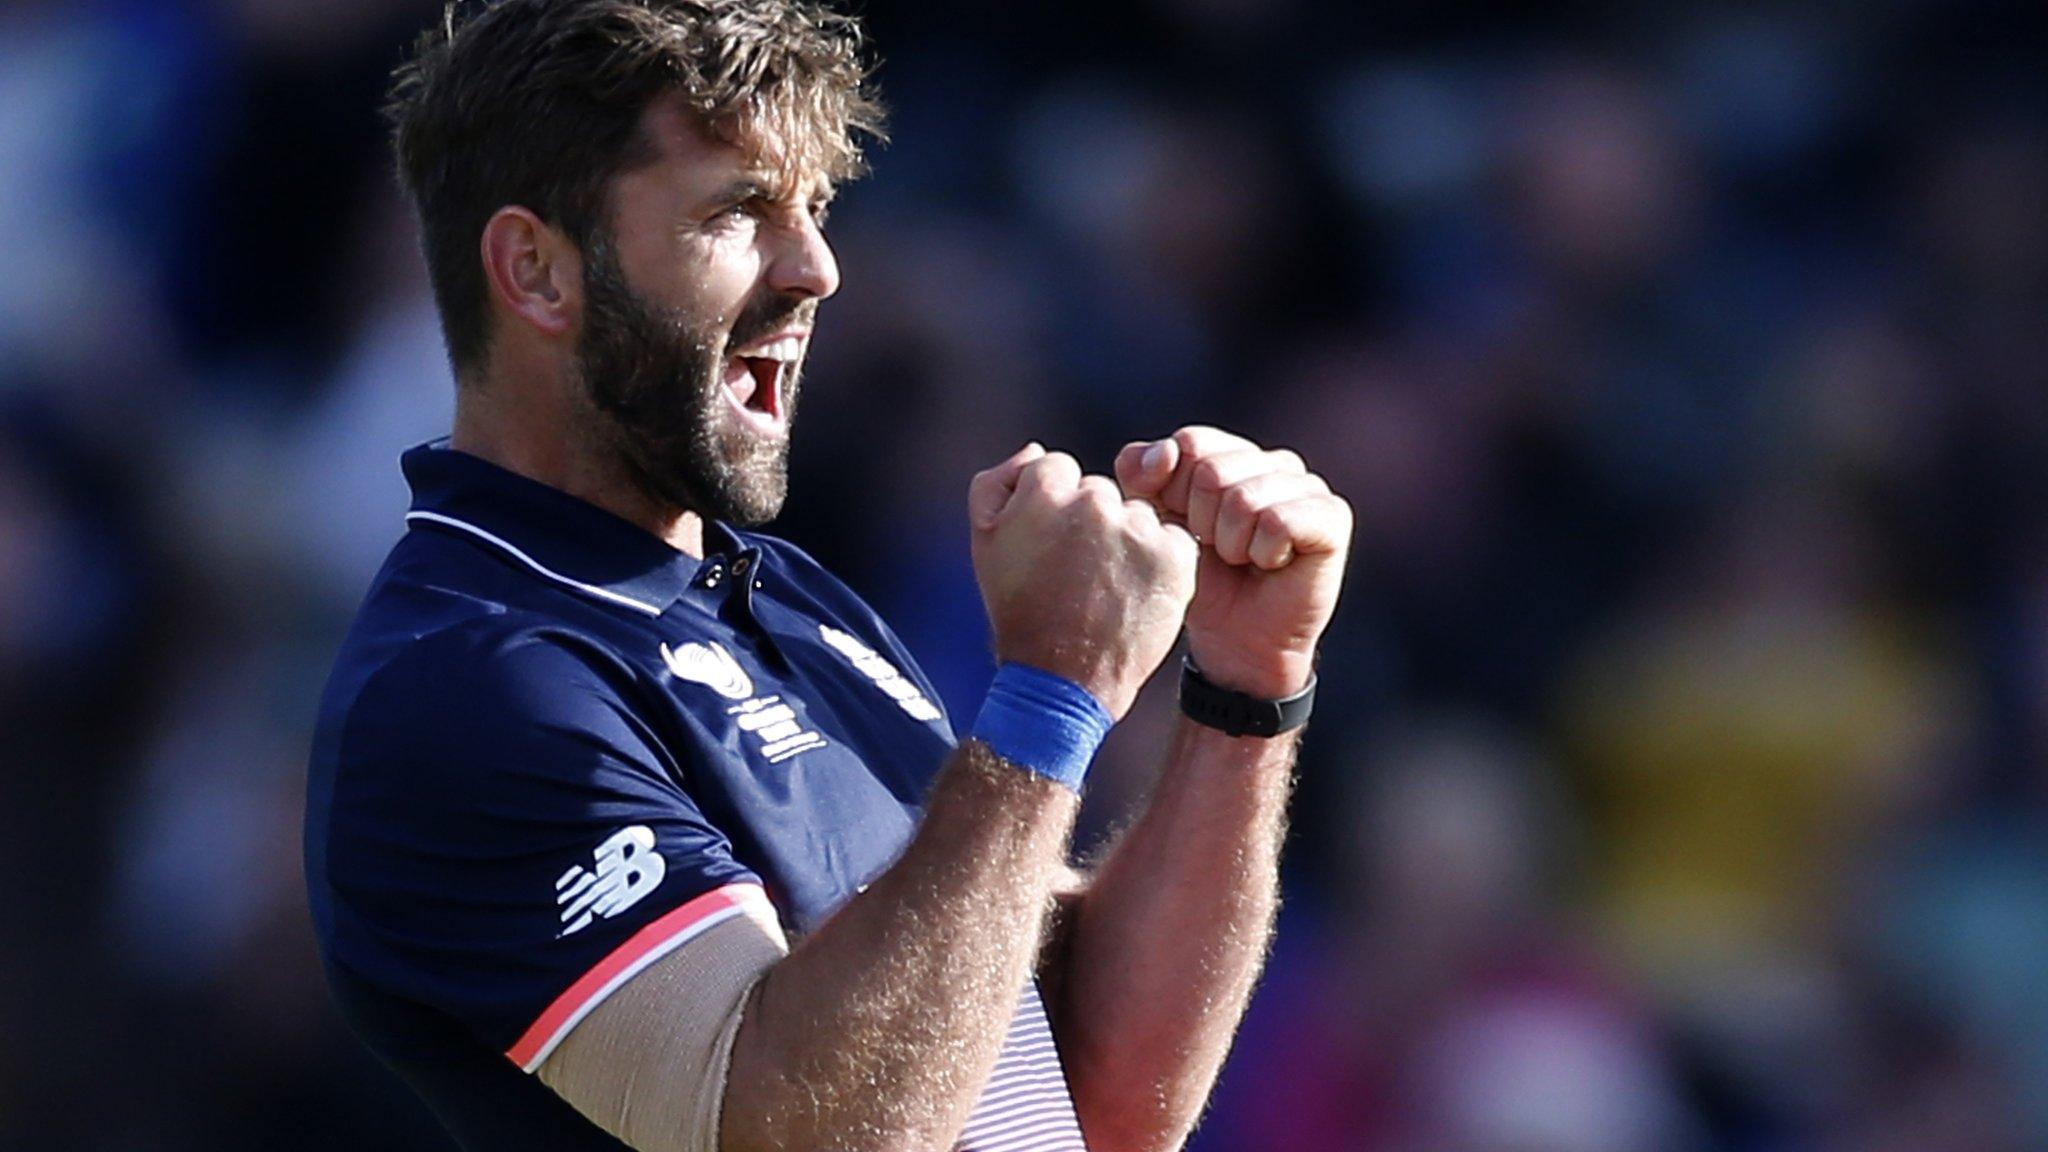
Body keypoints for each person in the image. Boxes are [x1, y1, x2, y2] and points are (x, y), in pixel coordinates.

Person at [303, 2, 1352, 1150]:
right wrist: (1051, 698)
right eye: (737, 211)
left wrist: (1242, 691)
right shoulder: (470, 687)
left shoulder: (787, 599)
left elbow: (1080, 1099)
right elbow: (809, 1139)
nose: (816, 269)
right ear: (537, 272)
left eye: (811, 208)